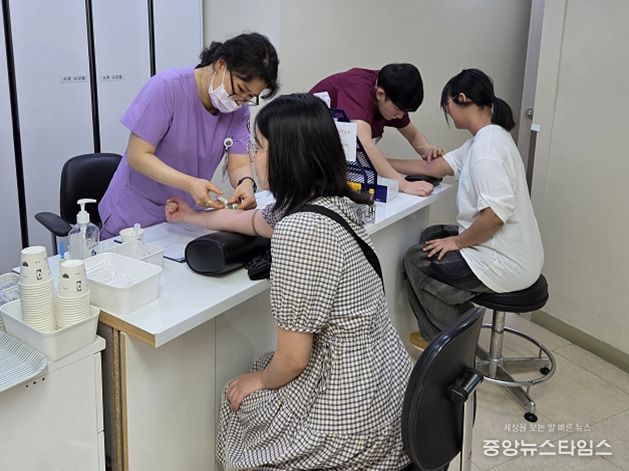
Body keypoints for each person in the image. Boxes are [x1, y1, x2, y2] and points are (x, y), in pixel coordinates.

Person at [166, 94, 413, 470]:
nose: (252, 157)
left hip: (353, 420)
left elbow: (294, 358)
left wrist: (257, 382)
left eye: (259, 147)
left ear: (288, 155)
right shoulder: (333, 202)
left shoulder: (300, 230)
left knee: (238, 402)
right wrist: (191, 217)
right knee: (263, 365)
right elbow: (252, 221)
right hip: (388, 388)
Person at [388, 68, 544, 345]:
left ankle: (448, 343)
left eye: (447, 105)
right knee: (432, 237)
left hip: (505, 263)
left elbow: (494, 217)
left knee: (415, 260)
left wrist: (457, 242)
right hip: (513, 249)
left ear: (461, 98)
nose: (447, 112)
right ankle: (454, 319)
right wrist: (379, 163)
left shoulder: (487, 151)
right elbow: (433, 168)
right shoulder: (484, 139)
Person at [98, 32, 279, 239]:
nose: (239, 101)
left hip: (183, 215)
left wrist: (245, 183)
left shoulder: (239, 110)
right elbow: (138, 155)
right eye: (239, 89)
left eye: (249, 97)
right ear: (221, 65)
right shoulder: (167, 88)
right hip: (134, 214)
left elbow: (238, 164)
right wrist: (190, 184)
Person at [309, 63, 440, 197]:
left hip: (335, 162)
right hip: (308, 154)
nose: (400, 116)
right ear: (380, 94)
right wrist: (404, 185)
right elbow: (364, 143)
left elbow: (413, 135)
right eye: (398, 110)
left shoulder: (392, 94)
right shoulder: (358, 89)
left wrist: (427, 150)